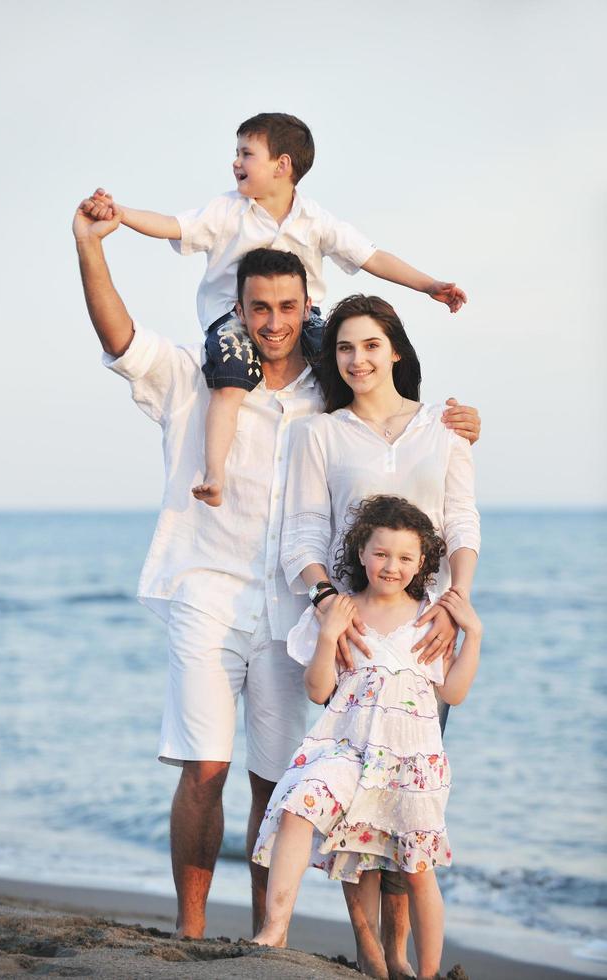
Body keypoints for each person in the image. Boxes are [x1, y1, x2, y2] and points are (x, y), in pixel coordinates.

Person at [73, 197, 480, 939]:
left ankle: (267, 937)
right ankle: (191, 934)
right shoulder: (199, 379)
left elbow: (392, 447)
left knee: (278, 777)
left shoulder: (329, 397)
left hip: (296, 614)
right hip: (208, 591)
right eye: (258, 307)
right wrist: (92, 248)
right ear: (239, 305)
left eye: (288, 306)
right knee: (204, 767)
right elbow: (122, 340)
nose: (273, 321)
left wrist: (459, 425)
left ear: (305, 306)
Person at [80, 111, 467, 508]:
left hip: (307, 321)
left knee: (346, 375)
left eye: (246, 154)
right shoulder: (226, 211)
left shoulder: (314, 219)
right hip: (230, 321)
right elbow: (171, 225)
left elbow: (371, 256)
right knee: (230, 385)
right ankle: (215, 472)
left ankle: (391, 438)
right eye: (237, 153)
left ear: (282, 165)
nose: (235, 162)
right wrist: (122, 215)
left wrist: (429, 285)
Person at [281, 294, 481, 976]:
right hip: (355, 631)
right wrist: (328, 605)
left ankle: (402, 957)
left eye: (369, 344)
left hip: (425, 636)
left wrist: (457, 604)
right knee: (352, 802)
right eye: (343, 348)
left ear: (395, 348)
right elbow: (303, 534)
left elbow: (462, 523)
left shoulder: (446, 429)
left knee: (409, 801)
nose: (357, 359)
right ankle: (370, 951)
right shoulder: (319, 434)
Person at [252, 495, 482, 980]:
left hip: (411, 762)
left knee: (418, 872)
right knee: (298, 805)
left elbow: (454, 693)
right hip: (345, 749)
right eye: (380, 554)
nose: (391, 566)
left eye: (404, 557)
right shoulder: (341, 611)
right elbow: (318, 691)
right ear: (360, 553)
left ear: (423, 563)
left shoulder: (431, 621)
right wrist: (327, 635)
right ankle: (274, 930)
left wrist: (473, 636)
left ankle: (429, 973)